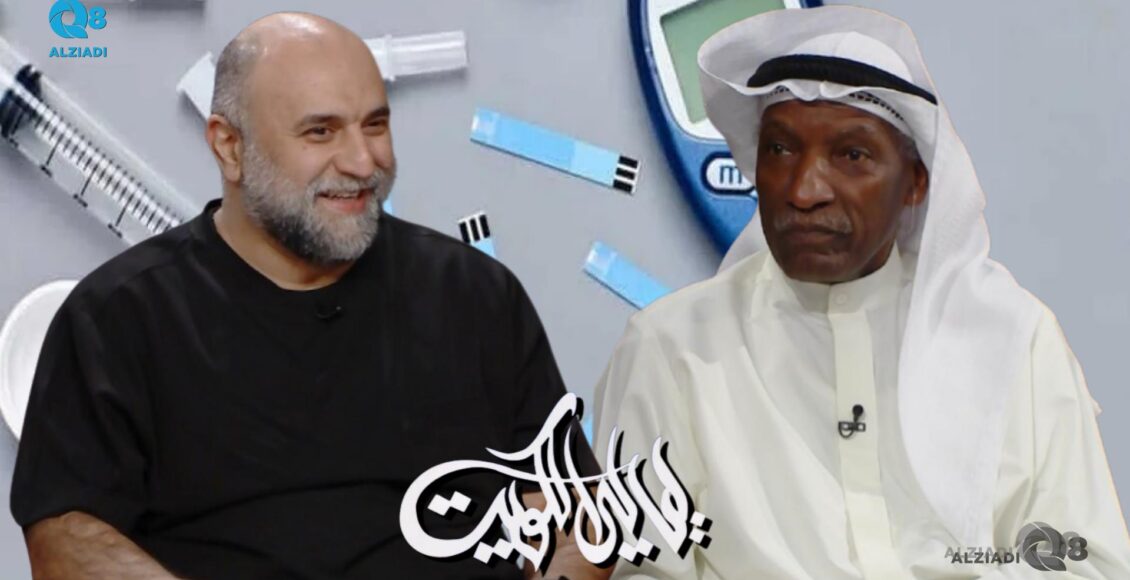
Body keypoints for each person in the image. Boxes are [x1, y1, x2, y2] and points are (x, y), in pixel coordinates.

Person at [11, 12, 607, 580]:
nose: (363, 162)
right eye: (321, 131)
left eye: (375, 125)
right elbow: (66, 542)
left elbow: (577, 520)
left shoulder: (475, 295)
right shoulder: (116, 319)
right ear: (229, 147)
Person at [594, 6, 1130, 579]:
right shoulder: (672, 348)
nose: (804, 190)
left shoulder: (1012, 339)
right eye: (780, 150)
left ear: (916, 182)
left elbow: (1092, 565)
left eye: (851, 155)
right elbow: (635, 570)